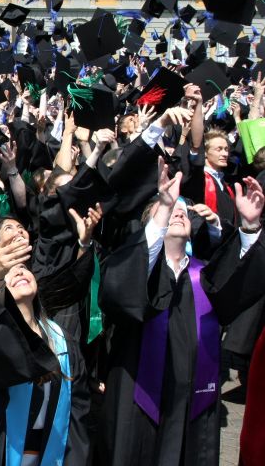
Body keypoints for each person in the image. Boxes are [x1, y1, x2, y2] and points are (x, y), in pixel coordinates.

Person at [98, 159, 265, 466]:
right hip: (137, 397)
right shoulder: (134, 265)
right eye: (170, 208)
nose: (178, 210)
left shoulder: (205, 278)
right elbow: (118, 294)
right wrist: (162, 207)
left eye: (184, 209)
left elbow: (242, 286)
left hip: (191, 401)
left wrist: (250, 227)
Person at [0, 225, 90, 466]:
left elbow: (78, 413)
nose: (19, 272)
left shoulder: (63, 341)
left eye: (23, 268)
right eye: (9, 272)